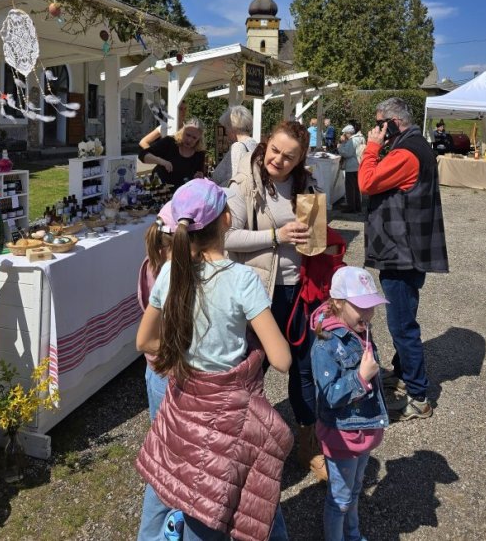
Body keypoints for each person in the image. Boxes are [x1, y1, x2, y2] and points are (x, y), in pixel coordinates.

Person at [135, 179, 293, 541]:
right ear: (226, 219)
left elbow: (144, 340)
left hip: (185, 403)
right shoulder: (242, 280)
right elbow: (282, 359)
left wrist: (179, 357)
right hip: (229, 411)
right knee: (224, 494)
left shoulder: (170, 272)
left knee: (181, 483)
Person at [225, 121, 327, 482]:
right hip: (259, 292)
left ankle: (308, 440)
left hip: (300, 289)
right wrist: (276, 235)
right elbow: (227, 238)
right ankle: (236, 443)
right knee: (254, 369)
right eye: (275, 150)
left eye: (289, 156)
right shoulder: (244, 182)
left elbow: (314, 240)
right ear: (266, 144)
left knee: (305, 366)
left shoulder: (306, 183)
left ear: (300, 160)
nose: (278, 160)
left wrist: (316, 227)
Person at [359, 97, 449, 421]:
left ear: (393, 123)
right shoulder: (414, 145)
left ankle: (419, 396)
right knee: (404, 317)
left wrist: (372, 148)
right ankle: (401, 372)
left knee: (401, 325)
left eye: (379, 124)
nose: (377, 130)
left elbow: (366, 182)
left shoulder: (405, 153)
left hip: (401, 252)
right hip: (408, 248)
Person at [311, 267, 390, 541]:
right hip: (342, 436)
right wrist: (360, 378)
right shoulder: (325, 344)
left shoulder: (360, 329)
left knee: (355, 490)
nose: (368, 314)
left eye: (372, 306)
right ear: (338, 302)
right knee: (340, 499)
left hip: (362, 431)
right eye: (361, 307)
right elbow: (329, 396)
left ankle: (353, 535)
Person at [137, 204, 175, 420]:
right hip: (173, 367)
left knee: (160, 429)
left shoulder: (152, 263)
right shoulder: (174, 273)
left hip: (156, 364)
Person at [138, 118, 205, 191]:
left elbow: (199, 173)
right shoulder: (169, 142)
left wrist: (199, 177)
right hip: (158, 191)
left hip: (182, 193)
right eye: (188, 135)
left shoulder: (199, 153)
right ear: (182, 131)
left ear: (199, 139)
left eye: (194, 138)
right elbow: (143, 155)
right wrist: (161, 161)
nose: (189, 140)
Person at [211, 105, 258, 186]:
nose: (226, 132)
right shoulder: (255, 145)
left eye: (226, 128)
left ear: (232, 127)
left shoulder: (238, 147)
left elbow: (234, 182)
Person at [336, 123, 366, 214]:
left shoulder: (352, 141)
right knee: (357, 188)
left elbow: (347, 153)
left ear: (348, 133)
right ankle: (357, 206)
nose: (344, 135)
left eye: (345, 134)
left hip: (352, 167)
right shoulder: (362, 138)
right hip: (359, 166)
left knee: (350, 188)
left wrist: (340, 146)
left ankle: (351, 207)